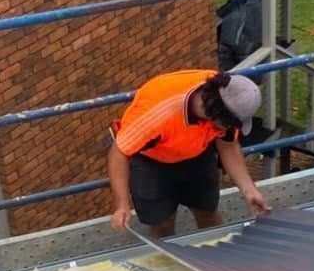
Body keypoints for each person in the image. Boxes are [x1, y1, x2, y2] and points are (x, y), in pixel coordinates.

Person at [107, 69, 269, 238]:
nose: (231, 128)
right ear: (216, 115)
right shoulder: (158, 114)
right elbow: (118, 153)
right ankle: (169, 260)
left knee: (207, 212)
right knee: (162, 225)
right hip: (152, 163)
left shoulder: (225, 93)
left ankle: (218, 256)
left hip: (196, 154)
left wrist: (249, 190)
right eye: (231, 123)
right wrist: (122, 204)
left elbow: (228, 146)